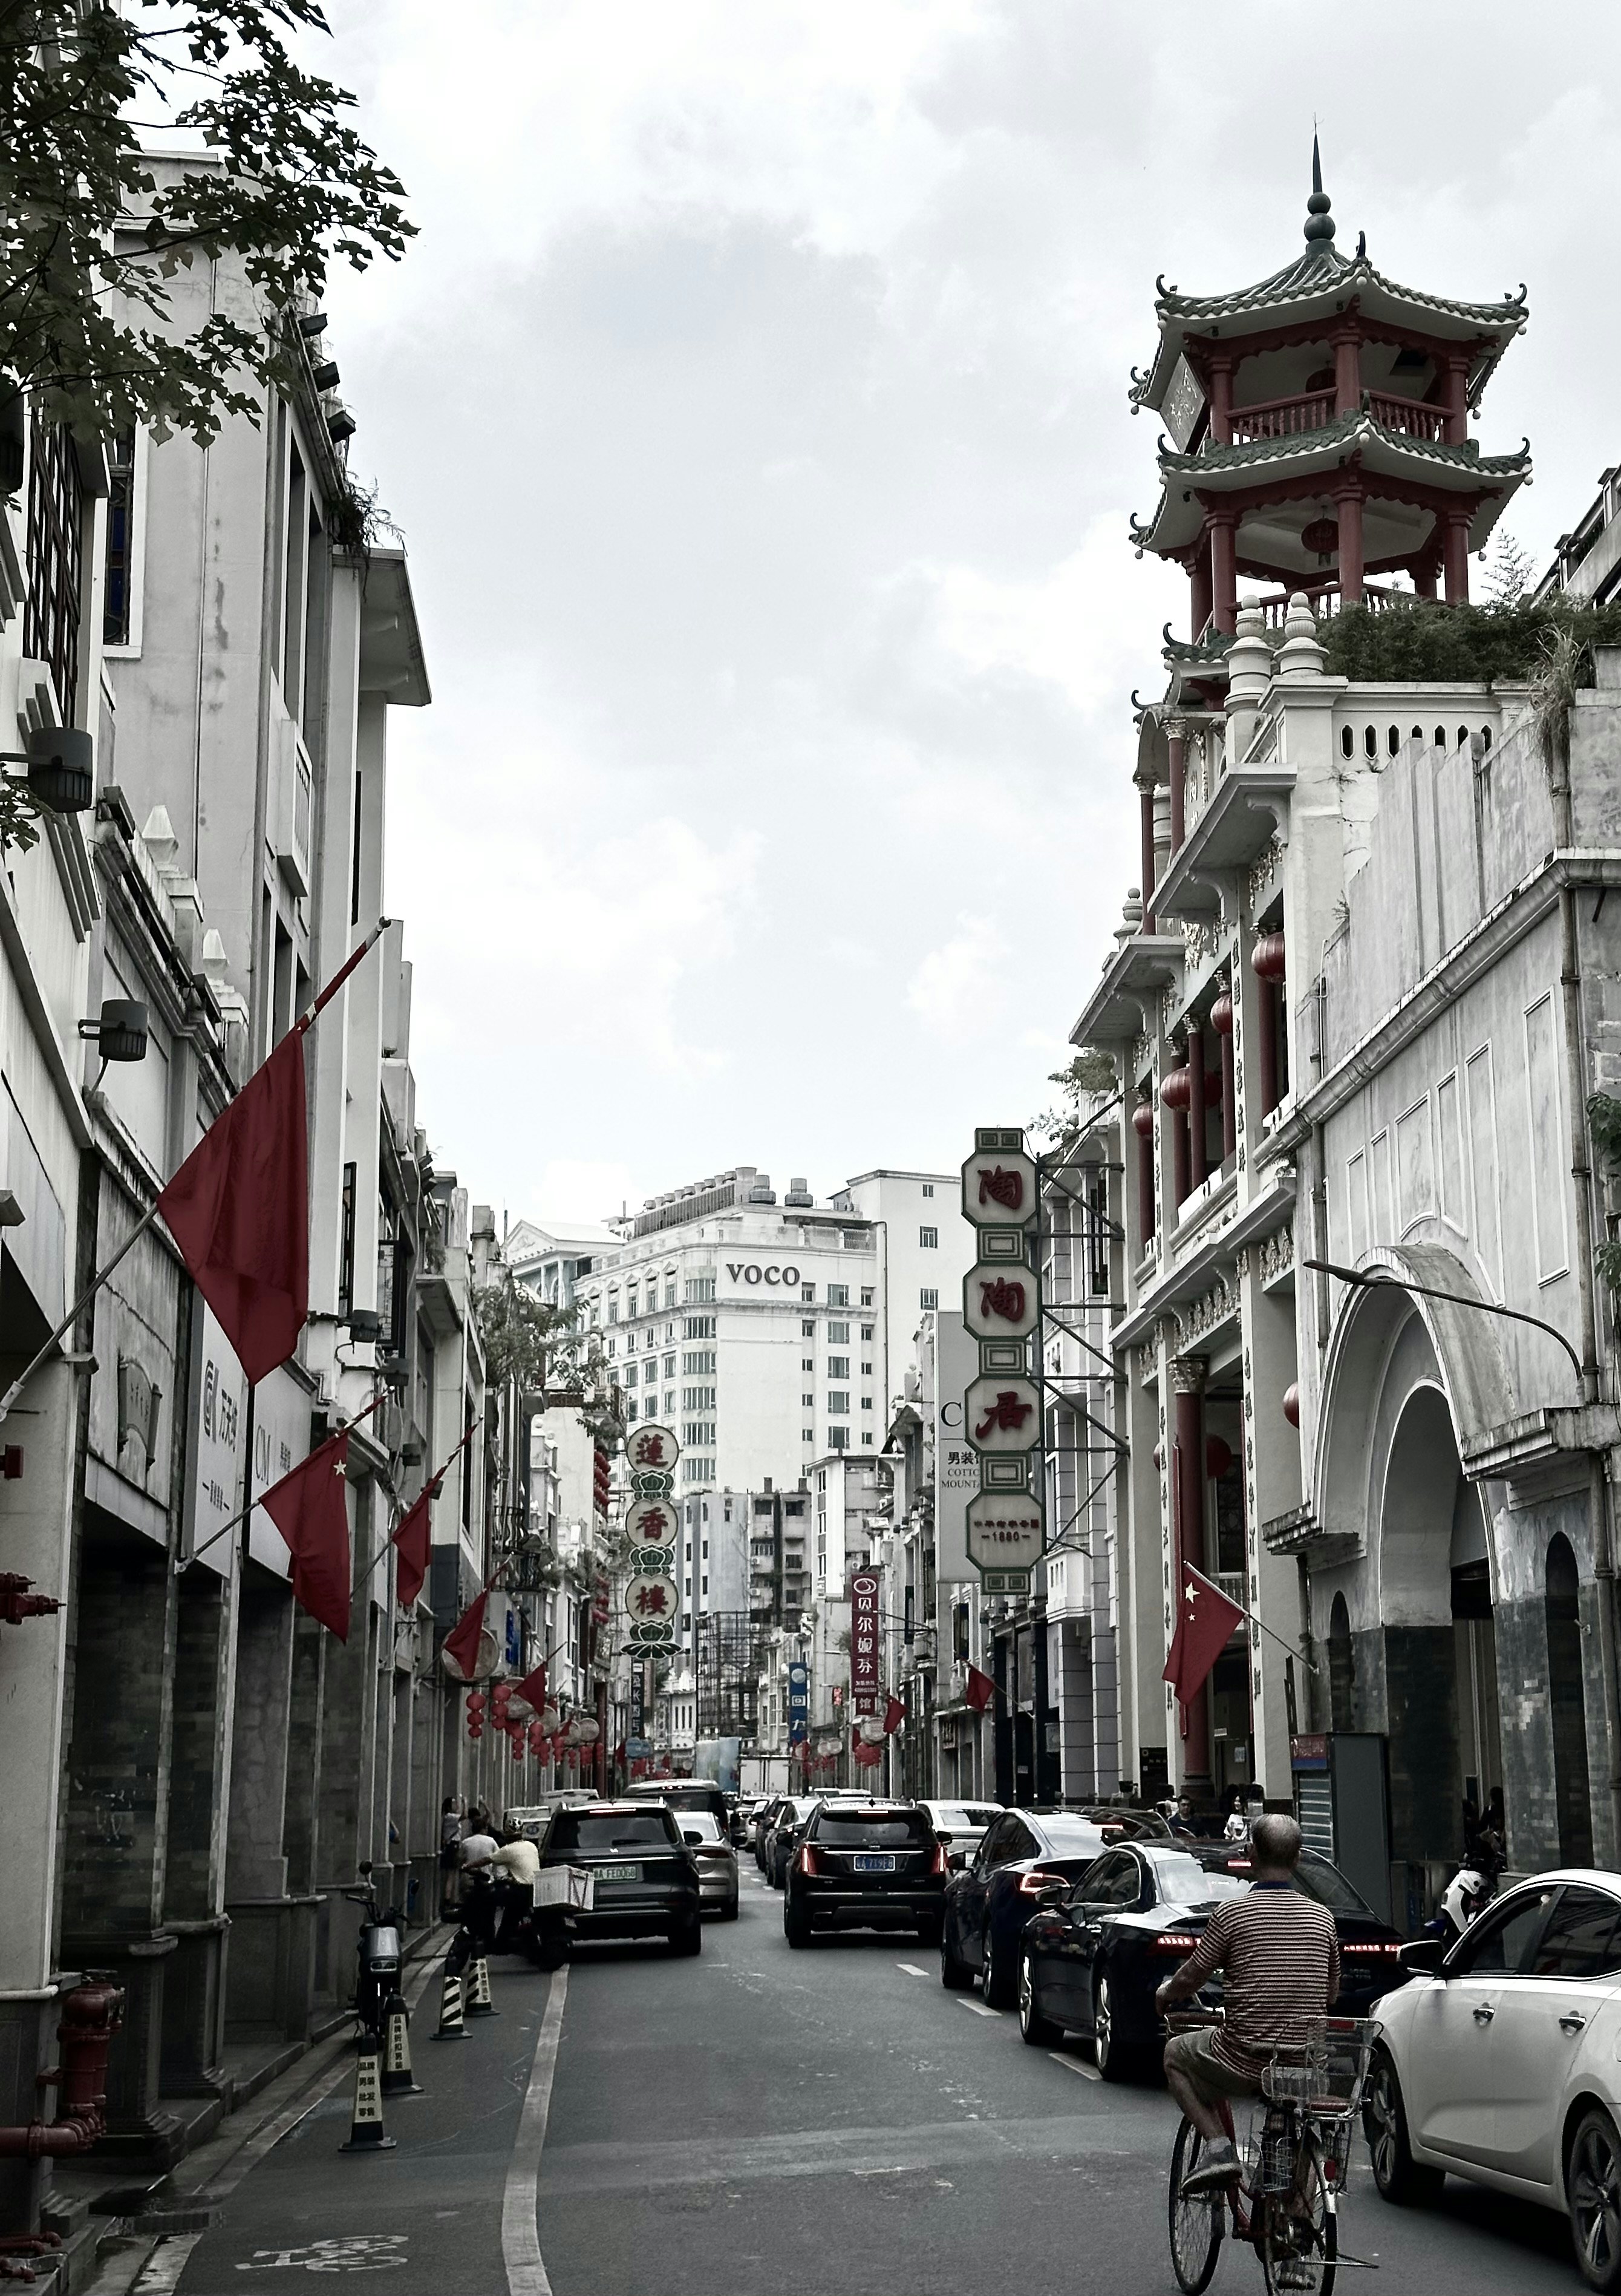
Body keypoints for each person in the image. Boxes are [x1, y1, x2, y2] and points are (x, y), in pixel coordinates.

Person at [1155, 1812, 1340, 2194]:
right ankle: (1293, 2214)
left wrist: (1166, 1993)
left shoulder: (1231, 1914)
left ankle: (1219, 2146)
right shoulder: (1323, 1919)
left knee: (1175, 2054)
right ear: (1298, 1857)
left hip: (1244, 2060)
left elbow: (1194, 1975)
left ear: (1250, 1854)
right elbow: (1330, 1993)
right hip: (1306, 2062)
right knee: (1296, 2110)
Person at [489, 1827, 541, 1951]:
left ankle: (501, 1942)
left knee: (509, 1913)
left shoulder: (508, 1850)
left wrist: (467, 1866)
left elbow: (487, 1860)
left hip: (521, 1891)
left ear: (507, 1836)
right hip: (536, 1888)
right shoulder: (531, 1846)